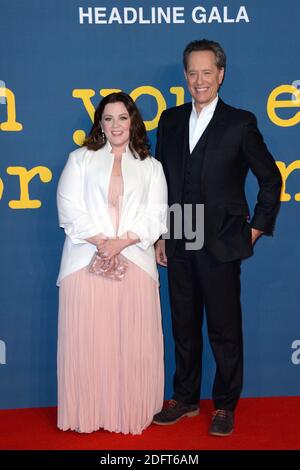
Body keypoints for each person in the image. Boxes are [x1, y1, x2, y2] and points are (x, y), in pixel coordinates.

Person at [153, 39, 282, 436]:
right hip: (179, 232)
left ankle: (225, 405)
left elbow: (270, 179)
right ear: (185, 76)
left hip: (222, 239)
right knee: (184, 323)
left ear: (221, 74)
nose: (199, 80)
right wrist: (160, 233)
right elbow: (161, 182)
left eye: (207, 72)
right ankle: (186, 397)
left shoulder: (240, 122)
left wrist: (255, 229)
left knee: (224, 328)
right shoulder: (170, 121)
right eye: (192, 72)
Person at [56, 92, 168, 434]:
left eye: (123, 117)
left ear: (133, 121)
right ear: (100, 124)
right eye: (108, 118)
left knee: (130, 344)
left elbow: (158, 215)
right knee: (90, 343)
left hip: (135, 260)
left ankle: (128, 410)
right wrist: (102, 242)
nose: (116, 125)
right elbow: (68, 207)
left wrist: (121, 242)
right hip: (84, 261)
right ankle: (88, 413)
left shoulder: (152, 166)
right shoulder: (80, 159)